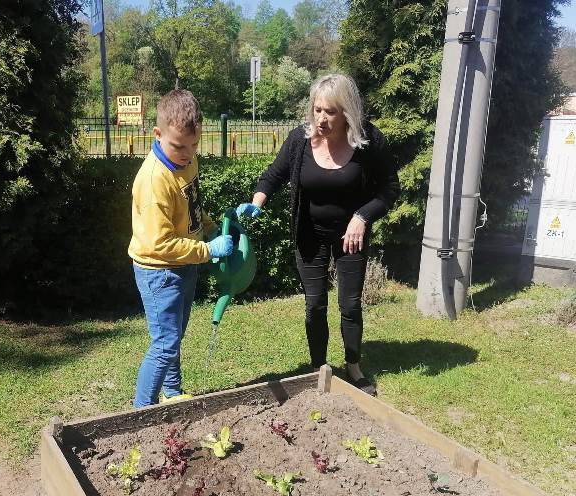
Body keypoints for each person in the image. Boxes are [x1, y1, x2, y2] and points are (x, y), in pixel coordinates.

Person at [236, 74, 400, 394]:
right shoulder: (300, 140)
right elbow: (273, 175)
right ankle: (319, 367)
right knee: (314, 304)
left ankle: (353, 365)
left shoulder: (368, 141)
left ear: (347, 113)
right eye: (317, 110)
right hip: (309, 234)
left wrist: (362, 217)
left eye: (330, 112)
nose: (321, 119)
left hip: (351, 236)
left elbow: (390, 189)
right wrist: (257, 202)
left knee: (349, 304)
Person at [128, 89, 233, 408]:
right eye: (179, 146)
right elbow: (160, 245)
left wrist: (210, 227)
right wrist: (209, 250)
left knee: (174, 337)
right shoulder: (154, 181)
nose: (187, 154)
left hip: (184, 264)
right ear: (157, 134)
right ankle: (141, 412)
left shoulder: (186, 160)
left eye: (194, 145)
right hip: (159, 271)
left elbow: (192, 205)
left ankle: (172, 393)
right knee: (165, 344)